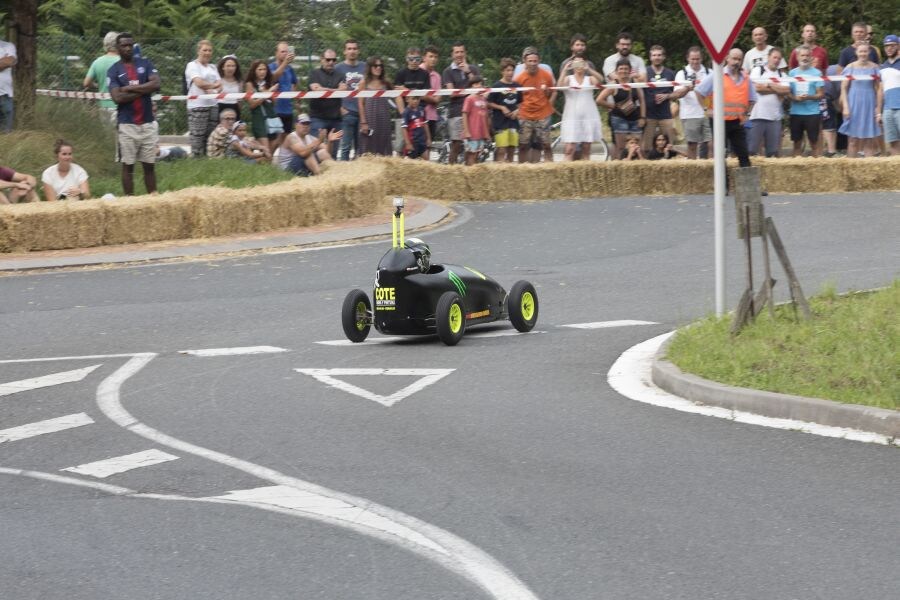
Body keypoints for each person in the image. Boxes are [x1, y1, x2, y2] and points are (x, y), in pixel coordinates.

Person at [108, 32, 160, 195]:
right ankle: (129, 200)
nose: (128, 48)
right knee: (128, 165)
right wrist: (144, 90)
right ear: (117, 48)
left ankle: (153, 198)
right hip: (127, 124)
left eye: (130, 44)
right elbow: (117, 97)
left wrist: (129, 88)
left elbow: (156, 83)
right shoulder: (114, 70)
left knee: (149, 166)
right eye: (124, 45)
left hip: (147, 123)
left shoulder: (145, 63)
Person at [695, 48, 757, 168]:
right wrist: (706, 109)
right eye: (734, 58)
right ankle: (724, 185)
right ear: (727, 58)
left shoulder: (746, 78)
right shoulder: (717, 75)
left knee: (743, 154)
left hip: (737, 122)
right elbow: (699, 91)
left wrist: (747, 115)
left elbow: (753, 99)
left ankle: (746, 185)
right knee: (720, 156)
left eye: (739, 59)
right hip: (719, 121)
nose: (736, 62)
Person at [839, 43, 882, 157]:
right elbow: (843, 87)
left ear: (869, 52)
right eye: (861, 51)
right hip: (853, 102)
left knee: (869, 139)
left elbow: (878, 88)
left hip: (869, 102)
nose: (863, 54)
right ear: (856, 53)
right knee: (853, 139)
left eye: (865, 51)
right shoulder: (850, 67)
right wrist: (846, 107)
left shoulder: (874, 68)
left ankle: (868, 169)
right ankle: (851, 168)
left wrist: (878, 107)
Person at [514, 48, 555, 163]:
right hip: (525, 115)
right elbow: (516, 98)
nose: (532, 64)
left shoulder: (546, 75)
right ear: (524, 61)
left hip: (543, 114)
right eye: (530, 61)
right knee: (523, 145)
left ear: (539, 61)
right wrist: (518, 111)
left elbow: (551, 92)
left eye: (535, 61)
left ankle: (550, 167)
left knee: (546, 144)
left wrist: (549, 100)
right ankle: (522, 169)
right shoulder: (519, 78)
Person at [443, 43, 482, 164]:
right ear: (452, 54)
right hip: (456, 111)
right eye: (457, 52)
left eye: (461, 52)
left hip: (473, 112)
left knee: (472, 146)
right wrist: (469, 92)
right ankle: (451, 170)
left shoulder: (473, 69)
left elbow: (479, 87)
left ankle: (468, 172)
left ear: (465, 53)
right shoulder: (448, 71)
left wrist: (468, 72)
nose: (459, 54)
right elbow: (452, 93)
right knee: (456, 144)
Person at [598, 58, 645, 160]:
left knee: (637, 147)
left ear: (630, 70)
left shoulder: (634, 82)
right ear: (616, 70)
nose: (623, 71)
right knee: (621, 148)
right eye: (621, 68)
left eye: (626, 68)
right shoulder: (613, 84)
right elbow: (599, 100)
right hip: (619, 119)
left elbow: (642, 100)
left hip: (635, 118)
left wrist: (643, 117)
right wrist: (613, 106)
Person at [557, 58, 603, 161]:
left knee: (586, 148)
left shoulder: (590, 78)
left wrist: (589, 69)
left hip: (588, 116)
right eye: (576, 63)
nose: (579, 65)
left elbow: (600, 80)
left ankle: (584, 174)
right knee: (569, 148)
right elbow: (559, 86)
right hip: (571, 117)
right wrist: (564, 70)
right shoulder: (568, 78)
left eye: (581, 62)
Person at [748, 47, 790, 157]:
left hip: (774, 118)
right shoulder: (758, 70)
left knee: (772, 152)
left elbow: (786, 90)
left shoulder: (783, 75)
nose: (776, 60)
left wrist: (769, 84)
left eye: (779, 58)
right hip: (757, 116)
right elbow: (757, 88)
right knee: (752, 150)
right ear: (768, 57)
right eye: (774, 57)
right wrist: (777, 89)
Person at [185, 39, 222, 156]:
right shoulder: (192, 65)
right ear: (198, 51)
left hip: (213, 105)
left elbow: (220, 85)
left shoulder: (213, 67)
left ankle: (208, 162)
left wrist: (212, 88)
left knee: (210, 137)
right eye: (204, 50)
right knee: (197, 138)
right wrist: (212, 86)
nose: (207, 53)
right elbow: (199, 83)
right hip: (197, 105)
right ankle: (196, 161)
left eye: (210, 50)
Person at [674, 47, 713, 159]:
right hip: (689, 114)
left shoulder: (709, 72)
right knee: (692, 145)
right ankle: (693, 167)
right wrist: (688, 88)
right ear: (687, 59)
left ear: (702, 58)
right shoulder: (681, 74)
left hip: (708, 112)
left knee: (711, 145)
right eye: (693, 59)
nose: (695, 61)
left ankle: (712, 170)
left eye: (698, 59)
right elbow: (676, 95)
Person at [641, 45, 680, 153]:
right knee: (646, 147)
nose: (657, 57)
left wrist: (667, 96)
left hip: (666, 114)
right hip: (649, 115)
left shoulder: (670, 73)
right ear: (650, 57)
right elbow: (639, 92)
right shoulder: (645, 72)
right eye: (654, 55)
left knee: (669, 145)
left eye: (659, 55)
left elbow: (676, 93)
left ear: (663, 57)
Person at [788, 46, 825, 157]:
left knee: (814, 143)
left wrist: (808, 97)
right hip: (796, 112)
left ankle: (817, 169)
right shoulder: (791, 74)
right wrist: (795, 98)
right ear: (797, 57)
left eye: (807, 55)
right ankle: (796, 169)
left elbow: (820, 94)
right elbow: (787, 92)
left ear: (811, 57)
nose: (805, 58)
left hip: (812, 113)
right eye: (802, 55)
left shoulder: (817, 73)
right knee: (797, 144)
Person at [308, 48, 346, 155]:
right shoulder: (314, 73)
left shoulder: (340, 75)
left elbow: (343, 90)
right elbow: (316, 89)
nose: (331, 62)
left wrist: (324, 89)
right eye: (328, 60)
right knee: (316, 148)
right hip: (318, 117)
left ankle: (332, 171)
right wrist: (335, 90)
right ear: (322, 59)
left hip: (336, 119)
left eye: (334, 60)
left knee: (333, 152)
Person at [487, 57, 522, 162]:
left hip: (513, 122)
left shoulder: (517, 86)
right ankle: (499, 169)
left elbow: (521, 102)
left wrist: (517, 111)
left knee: (511, 148)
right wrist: (501, 107)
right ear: (502, 71)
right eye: (507, 70)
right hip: (500, 122)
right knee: (501, 149)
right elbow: (489, 103)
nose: (510, 73)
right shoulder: (497, 86)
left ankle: (509, 170)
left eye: (512, 70)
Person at [358, 56, 394, 156]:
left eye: (380, 66)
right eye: (375, 66)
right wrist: (363, 122)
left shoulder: (386, 82)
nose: (378, 68)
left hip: (383, 117)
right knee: (368, 144)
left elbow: (397, 95)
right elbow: (360, 103)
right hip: (370, 116)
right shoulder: (363, 83)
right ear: (370, 67)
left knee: (383, 143)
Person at [335, 39, 365, 160]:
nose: (352, 51)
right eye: (349, 49)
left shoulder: (365, 67)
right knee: (345, 147)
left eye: (354, 48)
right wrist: (340, 108)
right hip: (347, 112)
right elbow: (332, 91)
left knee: (361, 147)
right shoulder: (338, 68)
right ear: (344, 51)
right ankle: (344, 174)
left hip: (362, 112)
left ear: (358, 51)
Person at [244, 59, 280, 158]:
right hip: (259, 119)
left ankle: (267, 169)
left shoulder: (268, 83)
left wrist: (271, 93)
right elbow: (252, 105)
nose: (262, 72)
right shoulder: (250, 84)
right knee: (265, 149)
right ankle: (265, 169)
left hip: (271, 116)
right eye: (260, 69)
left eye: (264, 69)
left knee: (273, 147)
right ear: (254, 71)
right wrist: (267, 93)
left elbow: (274, 102)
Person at [83, 31, 120, 122]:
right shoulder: (123, 62)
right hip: (120, 106)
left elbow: (86, 83)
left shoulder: (97, 62)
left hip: (103, 106)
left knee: (107, 135)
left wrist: (96, 85)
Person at [269, 42, 298, 148]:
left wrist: (293, 96)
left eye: (287, 51)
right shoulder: (271, 66)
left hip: (288, 109)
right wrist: (285, 63)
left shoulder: (290, 69)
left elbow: (295, 83)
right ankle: (267, 162)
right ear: (276, 53)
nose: (285, 54)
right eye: (282, 51)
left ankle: (281, 163)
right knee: (275, 140)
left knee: (286, 140)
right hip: (275, 110)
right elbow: (273, 78)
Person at [461, 77, 490, 166]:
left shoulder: (483, 99)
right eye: (476, 84)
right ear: (471, 86)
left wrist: (486, 133)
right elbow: (464, 114)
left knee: (478, 155)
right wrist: (466, 131)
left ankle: (474, 176)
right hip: (471, 133)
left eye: (481, 84)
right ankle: (469, 175)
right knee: (471, 155)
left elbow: (485, 117)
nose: (479, 86)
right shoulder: (469, 98)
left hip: (481, 133)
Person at [394, 47, 430, 115]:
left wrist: (408, 91)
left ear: (421, 59)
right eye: (411, 59)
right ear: (407, 59)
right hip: (404, 110)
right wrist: (404, 115)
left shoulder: (425, 74)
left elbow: (427, 96)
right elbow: (397, 96)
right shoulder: (400, 73)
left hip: (420, 112)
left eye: (417, 59)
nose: (414, 61)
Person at [420, 45, 443, 155]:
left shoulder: (437, 76)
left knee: (428, 146)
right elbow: (417, 95)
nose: (433, 59)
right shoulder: (418, 71)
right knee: (416, 146)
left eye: (435, 57)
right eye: (430, 56)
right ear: (424, 58)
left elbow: (438, 98)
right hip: (418, 115)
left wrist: (428, 98)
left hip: (432, 116)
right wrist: (431, 98)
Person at [881, 34, 900, 155]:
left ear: (897, 46)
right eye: (886, 46)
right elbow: (879, 90)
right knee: (892, 142)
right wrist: (878, 111)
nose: (889, 48)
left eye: (892, 45)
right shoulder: (883, 66)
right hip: (887, 108)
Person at [401, 95, 430, 159]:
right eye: (413, 99)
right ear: (407, 99)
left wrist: (428, 138)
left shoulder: (422, 110)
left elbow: (425, 124)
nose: (416, 101)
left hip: (422, 141)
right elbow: (404, 128)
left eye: (417, 99)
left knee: (427, 161)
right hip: (413, 142)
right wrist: (408, 143)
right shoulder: (406, 112)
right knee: (409, 163)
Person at [217, 55, 243, 119]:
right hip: (220, 107)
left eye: (233, 66)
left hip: (234, 107)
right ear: (223, 67)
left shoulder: (239, 81)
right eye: (228, 66)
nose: (231, 68)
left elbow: (239, 100)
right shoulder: (218, 79)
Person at [0, 34, 16, 132]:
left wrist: (5, 62)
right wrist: (2, 60)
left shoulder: (8, 46)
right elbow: (4, 63)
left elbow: (9, 61)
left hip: (5, 95)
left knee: (6, 132)